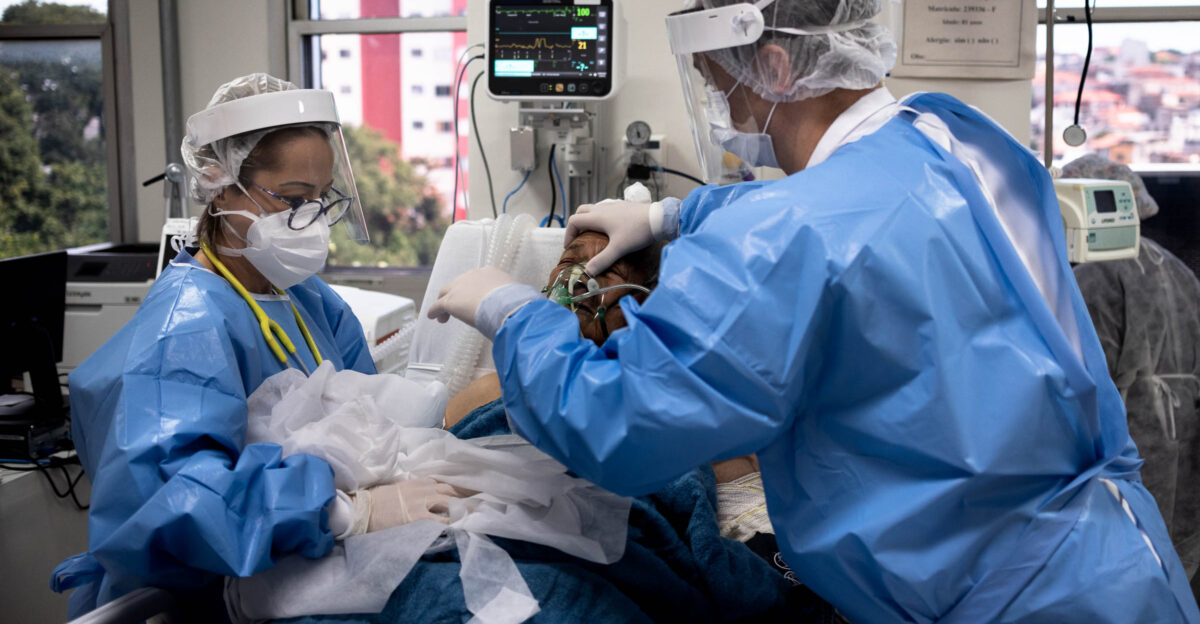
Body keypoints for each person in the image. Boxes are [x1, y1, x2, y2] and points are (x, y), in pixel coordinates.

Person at [427, 1, 1200, 621]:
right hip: (1115, 563)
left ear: (771, 65)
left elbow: (619, 422)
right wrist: (674, 219)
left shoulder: (787, 238)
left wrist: (512, 311)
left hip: (987, 597)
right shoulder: (957, 136)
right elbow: (856, 206)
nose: (717, 104)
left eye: (717, 81)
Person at [51, 73, 463, 618]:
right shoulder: (184, 329)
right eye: (293, 199)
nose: (311, 220)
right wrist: (341, 513)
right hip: (224, 588)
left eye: (321, 199)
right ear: (221, 184)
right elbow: (175, 504)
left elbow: (370, 422)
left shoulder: (309, 301)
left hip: (313, 561)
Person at [1066, 155, 1200, 595]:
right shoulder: (1176, 268)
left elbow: (1076, 392)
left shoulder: (1093, 277)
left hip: (1125, 461)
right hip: (1184, 457)